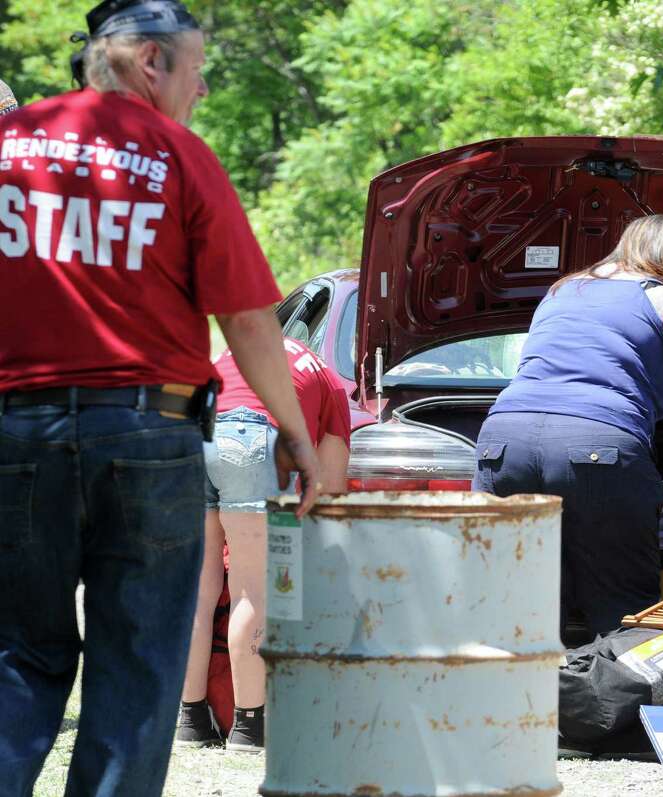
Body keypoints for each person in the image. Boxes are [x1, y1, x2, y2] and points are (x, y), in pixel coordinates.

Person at [0, 2, 320, 795]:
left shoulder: (8, 144)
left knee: (19, 657)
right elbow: (247, 319)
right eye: (197, 66)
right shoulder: (178, 155)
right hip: (150, 434)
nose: (204, 88)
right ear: (151, 63)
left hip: (17, 432)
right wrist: (296, 432)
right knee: (138, 662)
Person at [472, 214, 663, 639]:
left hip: (504, 441)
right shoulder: (658, 299)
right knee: (621, 609)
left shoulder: (561, 292)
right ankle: (618, 704)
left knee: (512, 601)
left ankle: (510, 702)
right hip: (596, 445)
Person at [177, 338, 350, 753]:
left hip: (199, 434)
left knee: (197, 588)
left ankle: (189, 719)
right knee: (253, 588)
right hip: (253, 440)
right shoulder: (327, 378)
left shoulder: (229, 354)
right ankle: (251, 728)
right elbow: (333, 489)